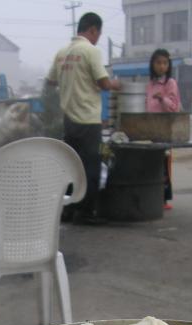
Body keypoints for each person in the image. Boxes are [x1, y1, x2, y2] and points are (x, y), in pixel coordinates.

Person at [47, 12, 121, 224]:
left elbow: (51, 81)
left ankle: (69, 210)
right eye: (98, 33)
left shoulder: (62, 53)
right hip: (89, 121)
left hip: (69, 121)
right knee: (91, 166)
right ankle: (86, 212)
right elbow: (104, 83)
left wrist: (69, 83)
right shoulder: (91, 50)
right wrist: (117, 84)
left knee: (71, 166)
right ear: (93, 30)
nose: (97, 37)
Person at [146, 49, 181, 210]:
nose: (161, 66)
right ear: (152, 64)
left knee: (164, 163)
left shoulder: (170, 83)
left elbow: (174, 107)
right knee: (151, 163)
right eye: (158, 62)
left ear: (169, 65)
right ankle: (151, 195)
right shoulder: (150, 84)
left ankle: (164, 199)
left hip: (165, 129)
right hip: (150, 128)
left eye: (165, 63)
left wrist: (162, 98)